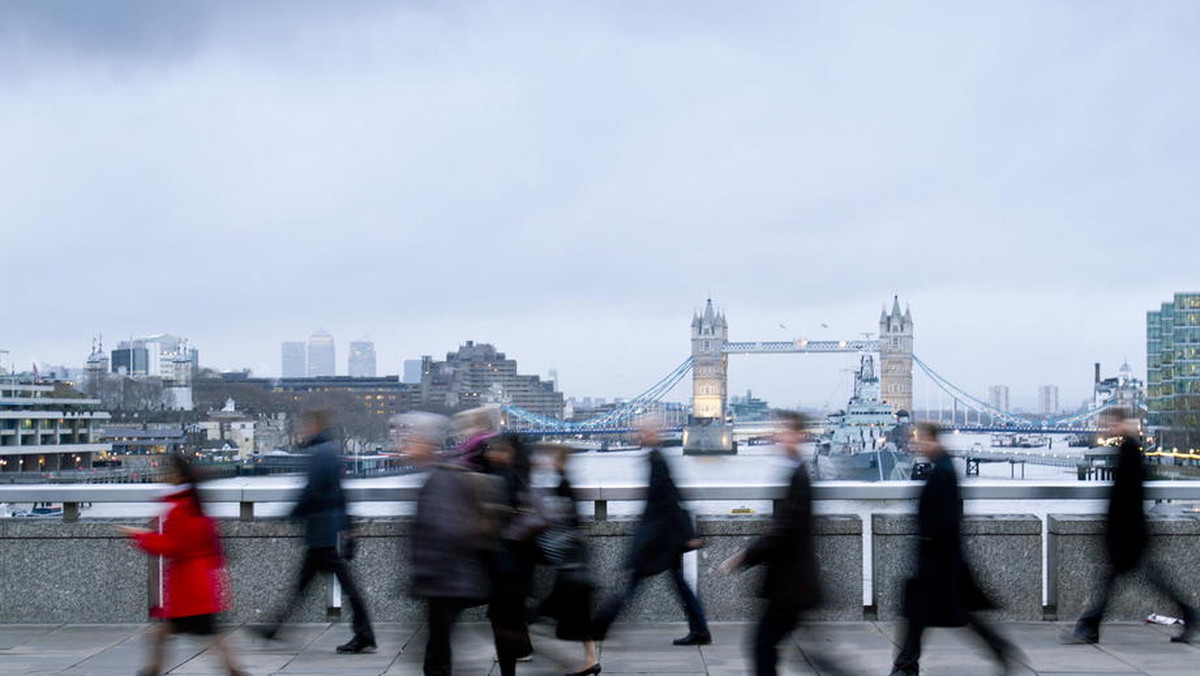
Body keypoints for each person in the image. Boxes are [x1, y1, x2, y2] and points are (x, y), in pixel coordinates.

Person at [719, 412, 851, 676]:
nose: (779, 436)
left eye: (786, 431)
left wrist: (745, 555)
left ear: (799, 436)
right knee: (798, 653)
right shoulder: (795, 472)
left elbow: (787, 529)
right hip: (792, 583)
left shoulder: (799, 477)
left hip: (792, 584)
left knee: (764, 646)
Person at [886, 422, 1016, 676]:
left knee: (931, 615)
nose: (918, 445)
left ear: (934, 441)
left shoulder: (943, 472)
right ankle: (906, 666)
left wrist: (930, 543)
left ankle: (906, 667)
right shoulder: (942, 467)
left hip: (940, 560)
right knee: (929, 616)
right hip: (941, 559)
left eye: (922, 440)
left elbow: (947, 519)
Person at [1064, 407, 1197, 644]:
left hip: (1128, 534)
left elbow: (1128, 497)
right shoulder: (1129, 449)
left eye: (1111, 424)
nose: (1108, 429)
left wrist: (1116, 529)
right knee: (1142, 582)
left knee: (1113, 584)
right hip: (1130, 533)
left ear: (1122, 424)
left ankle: (1089, 626)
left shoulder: (1130, 452)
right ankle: (1189, 614)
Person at [255, 409, 375, 654]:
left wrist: (283, 518)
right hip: (327, 529)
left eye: (305, 425)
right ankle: (274, 628)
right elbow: (339, 493)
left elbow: (311, 492)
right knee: (308, 584)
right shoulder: (330, 451)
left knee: (329, 585)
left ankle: (364, 633)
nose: (302, 429)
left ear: (315, 426)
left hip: (322, 531)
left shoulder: (321, 454)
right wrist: (349, 526)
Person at [119, 452, 245, 676]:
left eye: (167, 472)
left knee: (185, 635)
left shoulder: (180, 509)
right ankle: (233, 671)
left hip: (189, 587)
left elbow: (173, 546)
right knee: (207, 635)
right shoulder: (195, 505)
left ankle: (154, 671)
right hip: (199, 583)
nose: (163, 476)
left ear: (178, 476)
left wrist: (140, 537)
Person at [401, 412, 505, 676]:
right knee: (438, 650)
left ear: (427, 444)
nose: (405, 446)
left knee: (436, 655)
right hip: (447, 581)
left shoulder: (439, 479)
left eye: (411, 440)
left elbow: (445, 530)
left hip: (445, 582)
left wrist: (424, 573)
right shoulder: (440, 474)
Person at [591, 419, 710, 646]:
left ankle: (600, 626)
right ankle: (700, 629)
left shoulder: (657, 460)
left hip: (657, 539)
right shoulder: (657, 458)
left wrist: (688, 535)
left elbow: (669, 500)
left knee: (632, 585)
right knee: (678, 585)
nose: (640, 435)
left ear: (654, 435)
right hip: (664, 537)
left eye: (644, 431)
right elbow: (672, 497)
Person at [480, 435, 544, 676]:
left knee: (501, 621)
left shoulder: (498, 480)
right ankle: (522, 650)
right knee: (509, 618)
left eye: (492, 450)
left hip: (502, 565)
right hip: (519, 564)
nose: (488, 453)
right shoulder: (520, 479)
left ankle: (512, 665)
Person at [535, 446, 600, 676]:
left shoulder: (562, 485)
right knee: (579, 614)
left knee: (540, 614)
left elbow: (560, 522)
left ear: (558, 459)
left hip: (568, 563)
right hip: (575, 560)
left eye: (550, 456)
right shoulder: (566, 482)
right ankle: (590, 659)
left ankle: (524, 650)